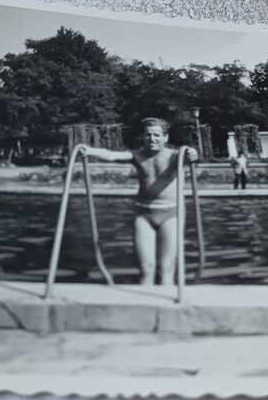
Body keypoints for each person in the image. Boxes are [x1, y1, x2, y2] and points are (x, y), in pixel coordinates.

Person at [81, 117, 197, 286]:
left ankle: (165, 309)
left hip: (171, 214)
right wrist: (90, 151)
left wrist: (193, 154)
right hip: (144, 214)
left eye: (157, 135)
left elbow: (189, 155)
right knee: (146, 269)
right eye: (148, 135)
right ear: (143, 137)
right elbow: (112, 155)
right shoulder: (138, 155)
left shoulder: (174, 157)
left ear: (166, 138)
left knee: (166, 269)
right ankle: (146, 304)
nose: (152, 139)